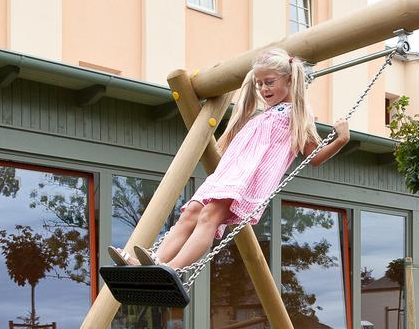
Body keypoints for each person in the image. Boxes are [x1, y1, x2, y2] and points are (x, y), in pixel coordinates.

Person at [108, 48, 350, 270]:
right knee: (190, 212)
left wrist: (340, 139)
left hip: (248, 179)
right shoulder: (263, 115)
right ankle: (149, 264)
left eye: (270, 82)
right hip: (228, 173)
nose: (264, 89)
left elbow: (313, 157)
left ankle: (171, 268)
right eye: (259, 84)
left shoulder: (297, 115)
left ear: (289, 79)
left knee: (208, 216)